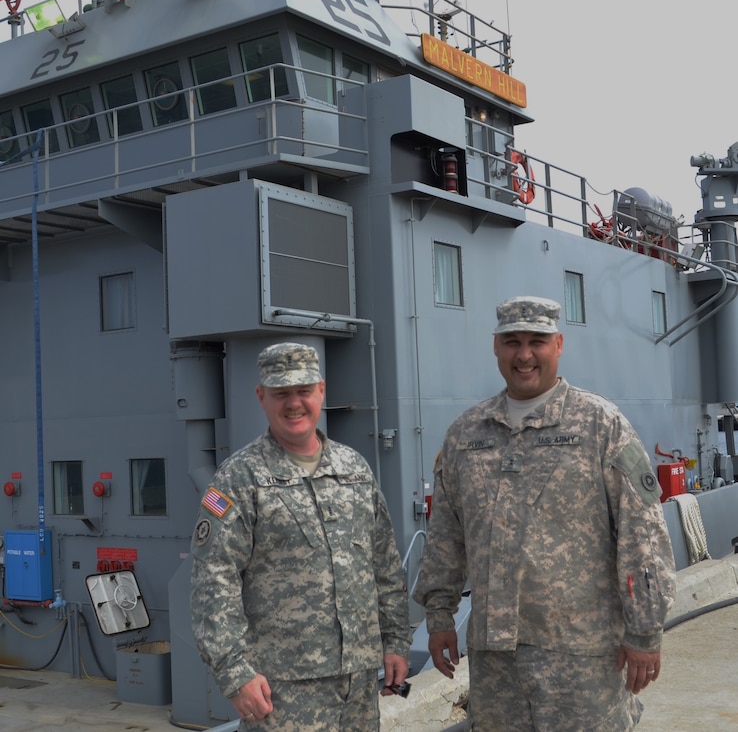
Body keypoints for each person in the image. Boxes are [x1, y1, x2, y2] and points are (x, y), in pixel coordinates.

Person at [413, 296, 676, 731]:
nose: (524, 354)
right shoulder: (466, 434)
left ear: (558, 344)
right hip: (495, 662)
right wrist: (439, 617)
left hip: (582, 656)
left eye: (537, 341)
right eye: (512, 341)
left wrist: (645, 632)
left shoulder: (600, 425)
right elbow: (447, 535)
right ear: (496, 347)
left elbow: (642, 533)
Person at [190, 341, 411, 731]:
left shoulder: (353, 467)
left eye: (304, 391)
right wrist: (235, 671)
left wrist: (395, 641)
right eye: (281, 394)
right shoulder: (240, 478)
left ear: (321, 391)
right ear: (262, 397)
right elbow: (213, 580)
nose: (294, 404)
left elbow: (385, 564)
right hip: (282, 690)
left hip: (359, 682)